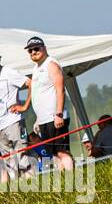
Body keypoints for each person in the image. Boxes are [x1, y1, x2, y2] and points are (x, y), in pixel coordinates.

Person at [18, 36, 74, 172]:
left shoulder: (51, 64)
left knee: (62, 152)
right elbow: (39, 93)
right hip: (44, 120)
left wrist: (59, 114)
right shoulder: (36, 68)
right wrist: (38, 119)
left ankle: (72, 177)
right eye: (30, 50)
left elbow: (60, 90)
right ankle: (64, 182)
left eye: (36, 48)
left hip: (55, 117)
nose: (33, 52)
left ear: (44, 48)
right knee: (54, 153)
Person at [0, 47, 30, 177]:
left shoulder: (9, 72)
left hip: (14, 121)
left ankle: (32, 186)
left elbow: (30, 83)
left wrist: (25, 106)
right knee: (8, 160)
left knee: (22, 157)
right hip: (0, 125)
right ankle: (17, 191)